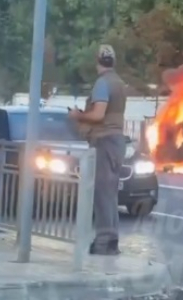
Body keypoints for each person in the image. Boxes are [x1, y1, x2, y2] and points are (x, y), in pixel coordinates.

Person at [69, 44, 127, 255]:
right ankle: (112, 241)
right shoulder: (120, 83)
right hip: (117, 141)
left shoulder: (102, 84)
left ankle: (103, 242)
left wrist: (78, 116)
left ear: (97, 62)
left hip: (104, 141)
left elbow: (98, 115)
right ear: (114, 61)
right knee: (110, 194)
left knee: (102, 193)